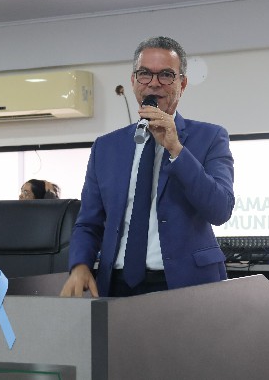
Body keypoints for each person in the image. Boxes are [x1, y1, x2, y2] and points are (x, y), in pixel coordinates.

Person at [61, 36, 235, 298]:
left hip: (187, 285)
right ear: (133, 81)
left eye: (166, 75)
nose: (154, 83)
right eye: (145, 74)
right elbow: (88, 222)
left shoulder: (210, 137)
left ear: (182, 84)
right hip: (116, 284)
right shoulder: (106, 147)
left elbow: (220, 209)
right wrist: (80, 265)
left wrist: (176, 149)